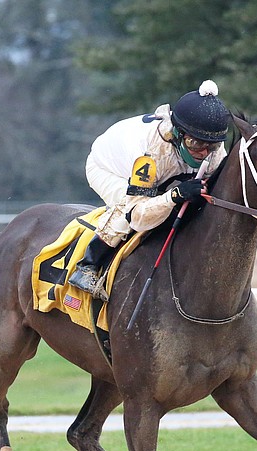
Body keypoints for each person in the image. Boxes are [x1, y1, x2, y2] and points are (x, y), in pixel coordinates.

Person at [68, 80, 230, 300]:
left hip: (165, 172)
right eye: (194, 144)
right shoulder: (150, 156)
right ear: (179, 134)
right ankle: (87, 266)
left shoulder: (214, 151)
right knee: (127, 209)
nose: (203, 153)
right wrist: (175, 195)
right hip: (107, 169)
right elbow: (137, 216)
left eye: (211, 146)